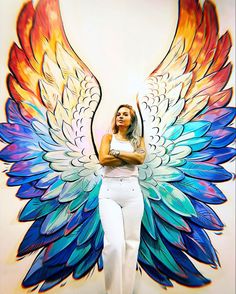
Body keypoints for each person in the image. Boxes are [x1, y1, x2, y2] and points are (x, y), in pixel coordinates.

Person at [98, 104, 146, 294]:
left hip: (132, 193)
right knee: (114, 244)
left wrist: (115, 153)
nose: (121, 116)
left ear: (132, 120)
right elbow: (103, 158)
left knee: (131, 244)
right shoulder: (107, 138)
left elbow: (140, 160)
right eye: (118, 114)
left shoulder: (138, 140)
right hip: (109, 192)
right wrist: (130, 157)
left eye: (125, 114)